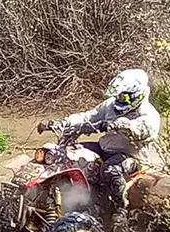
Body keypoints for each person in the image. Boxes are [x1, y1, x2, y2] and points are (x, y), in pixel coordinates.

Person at [39, 69, 162, 213]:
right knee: (65, 154)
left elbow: (140, 130)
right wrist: (63, 123)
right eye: (118, 95)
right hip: (104, 148)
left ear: (137, 95)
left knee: (111, 171)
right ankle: (57, 197)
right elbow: (88, 117)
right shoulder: (110, 105)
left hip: (131, 157)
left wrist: (122, 125)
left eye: (123, 97)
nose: (119, 99)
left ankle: (119, 211)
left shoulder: (149, 115)